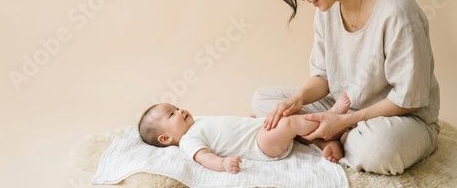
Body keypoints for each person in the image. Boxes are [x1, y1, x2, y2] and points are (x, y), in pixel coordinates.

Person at [253, 0, 440, 175]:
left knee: (378, 149)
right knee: (265, 101)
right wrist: (297, 99)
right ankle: (328, 138)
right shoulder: (327, 9)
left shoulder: (397, 11)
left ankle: (333, 136)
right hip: (341, 107)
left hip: (402, 119)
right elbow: (323, 77)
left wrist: (344, 121)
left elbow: (409, 99)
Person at [138, 93, 351, 174]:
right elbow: (204, 157)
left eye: (177, 107)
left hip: (256, 131)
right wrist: (222, 164)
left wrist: (246, 122)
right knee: (289, 124)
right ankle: (330, 117)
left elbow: (226, 129)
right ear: (166, 138)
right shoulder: (188, 141)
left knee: (286, 116)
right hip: (260, 146)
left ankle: (325, 144)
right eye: (172, 114)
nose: (180, 110)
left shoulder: (198, 122)